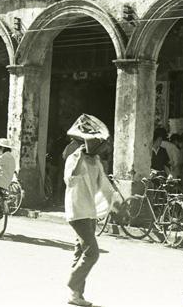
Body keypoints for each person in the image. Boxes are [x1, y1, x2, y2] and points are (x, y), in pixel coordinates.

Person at [64, 114, 118, 307]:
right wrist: (79, 155)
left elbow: (104, 185)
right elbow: (70, 178)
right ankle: (72, 282)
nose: (103, 147)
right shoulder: (74, 158)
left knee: (80, 252)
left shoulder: (96, 161)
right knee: (92, 252)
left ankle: (75, 295)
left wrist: (117, 201)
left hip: (90, 211)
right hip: (78, 211)